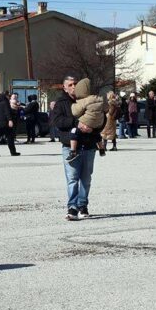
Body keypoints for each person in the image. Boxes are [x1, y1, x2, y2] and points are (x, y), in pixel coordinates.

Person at [51, 76, 103, 221]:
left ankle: (83, 205)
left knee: (86, 179)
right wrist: (77, 123)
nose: (73, 87)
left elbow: (101, 120)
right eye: (70, 84)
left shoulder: (90, 100)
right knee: (72, 179)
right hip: (70, 146)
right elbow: (57, 121)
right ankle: (72, 207)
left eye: (75, 84)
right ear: (65, 87)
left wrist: (92, 128)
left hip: (89, 145)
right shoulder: (61, 103)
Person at [67, 78, 107, 163]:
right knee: (97, 134)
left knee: (74, 131)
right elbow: (106, 109)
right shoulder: (100, 99)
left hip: (86, 121)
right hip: (99, 123)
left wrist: (73, 105)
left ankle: (73, 151)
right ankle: (102, 149)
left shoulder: (84, 100)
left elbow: (76, 112)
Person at [0, 91, 20, 157]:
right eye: (8, 96)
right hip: (5, 123)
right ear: (6, 95)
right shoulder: (5, 102)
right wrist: (10, 120)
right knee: (10, 138)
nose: (9, 97)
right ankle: (13, 152)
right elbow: (7, 111)